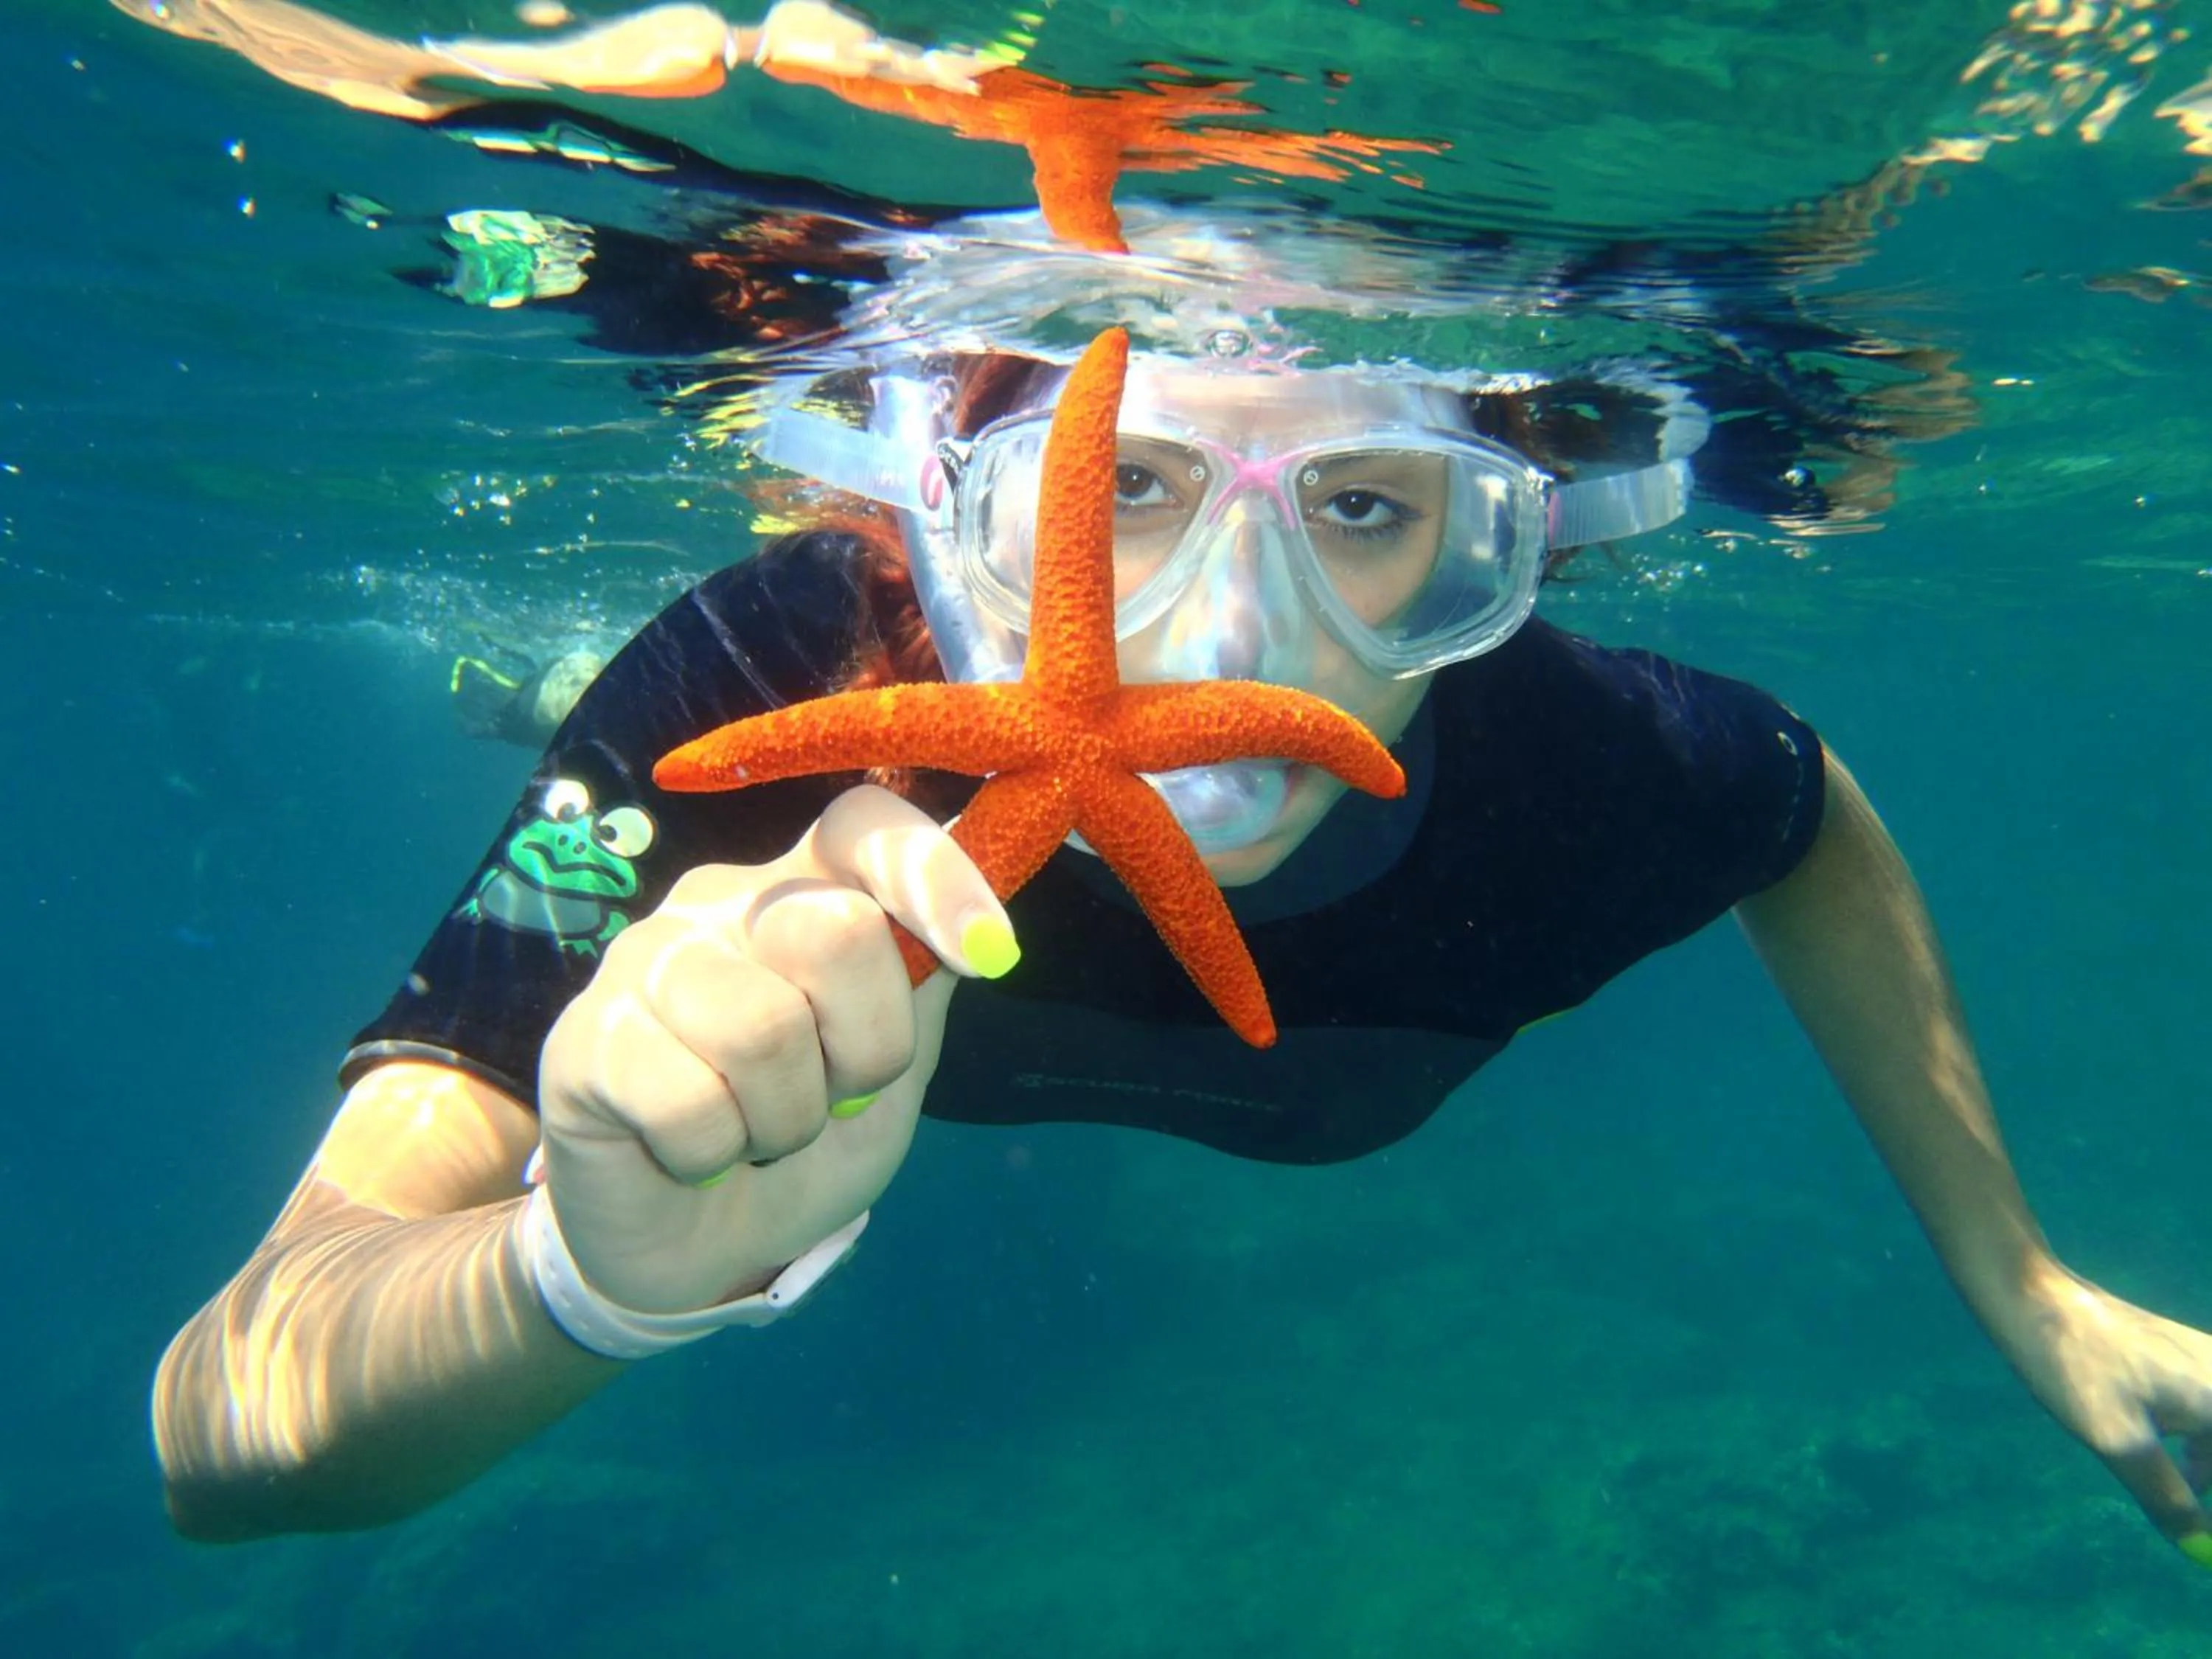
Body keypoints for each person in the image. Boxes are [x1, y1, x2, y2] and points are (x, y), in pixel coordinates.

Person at [130, 0, 2212, 1562]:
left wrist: (2022, 1284)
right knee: (605, 739)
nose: (1226, 641)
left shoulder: (1580, 762)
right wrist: (579, 1280)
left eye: (1372, 510)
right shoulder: (750, 704)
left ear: (1510, 536)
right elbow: (233, 1429)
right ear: (941, 509)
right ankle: (530, 697)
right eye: (1116, 493)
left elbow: (1809, 819)